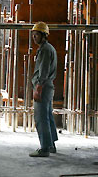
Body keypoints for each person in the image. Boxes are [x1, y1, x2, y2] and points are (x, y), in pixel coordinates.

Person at [29, 22, 58, 158]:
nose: (34, 37)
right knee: (48, 117)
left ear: (44, 35)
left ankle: (45, 148)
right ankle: (51, 145)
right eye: (33, 35)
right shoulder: (47, 48)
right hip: (48, 87)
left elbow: (44, 71)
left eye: (37, 35)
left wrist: (38, 89)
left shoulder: (45, 50)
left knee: (41, 118)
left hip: (44, 87)